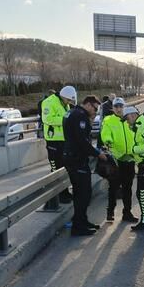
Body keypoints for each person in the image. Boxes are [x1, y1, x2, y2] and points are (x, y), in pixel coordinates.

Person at [62, 95, 107, 236]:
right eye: (94, 108)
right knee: (83, 193)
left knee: (80, 193)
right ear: (87, 104)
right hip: (77, 159)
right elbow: (82, 141)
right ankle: (78, 226)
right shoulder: (80, 116)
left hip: (71, 157)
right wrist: (97, 153)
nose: (95, 111)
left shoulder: (71, 112)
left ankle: (82, 221)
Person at [100, 97, 138, 223]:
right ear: (113, 108)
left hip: (130, 158)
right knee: (114, 187)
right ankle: (110, 212)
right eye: (116, 106)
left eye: (121, 106)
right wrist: (108, 141)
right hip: (116, 159)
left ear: (124, 107)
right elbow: (105, 133)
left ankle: (127, 213)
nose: (119, 109)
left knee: (128, 187)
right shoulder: (109, 120)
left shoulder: (130, 120)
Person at [41, 85, 76, 203]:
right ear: (64, 96)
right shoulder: (49, 102)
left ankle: (64, 192)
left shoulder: (64, 103)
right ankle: (58, 196)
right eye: (68, 100)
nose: (69, 102)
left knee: (64, 167)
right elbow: (47, 119)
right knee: (56, 168)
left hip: (63, 140)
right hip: (53, 141)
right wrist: (66, 119)